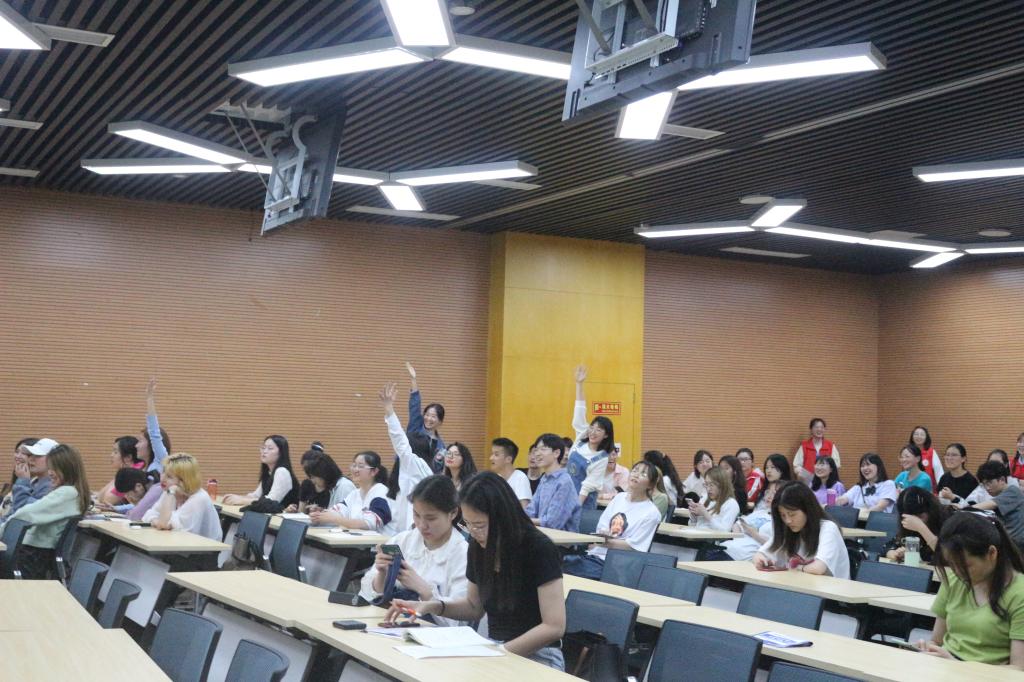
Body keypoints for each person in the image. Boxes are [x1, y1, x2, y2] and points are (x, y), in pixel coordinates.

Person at [387, 472, 567, 669]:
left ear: (502, 517)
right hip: (495, 648)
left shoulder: (538, 548)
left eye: (479, 525)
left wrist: (500, 653)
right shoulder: (478, 546)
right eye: (468, 524)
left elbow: (554, 627)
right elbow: (474, 607)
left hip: (539, 655)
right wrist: (432, 605)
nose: (473, 532)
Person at [915, 512, 1024, 668]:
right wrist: (928, 648)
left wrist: (959, 667)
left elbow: (1018, 669)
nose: (958, 572)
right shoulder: (953, 580)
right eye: (952, 564)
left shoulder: (1019, 593)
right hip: (947, 669)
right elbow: (936, 641)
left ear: (992, 553)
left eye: (965, 565)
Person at [360, 475, 468, 625]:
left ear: (453, 513)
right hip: (388, 624)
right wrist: (382, 574)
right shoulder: (402, 541)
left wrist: (424, 590)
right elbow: (366, 596)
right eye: (416, 515)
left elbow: (457, 621)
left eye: (431, 518)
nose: (422, 525)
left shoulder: (463, 554)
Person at [0, 443, 90, 579]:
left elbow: (26, 514)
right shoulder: (70, 492)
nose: (50, 473)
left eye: (54, 468)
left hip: (30, 556)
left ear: (66, 469)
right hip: (32, 554)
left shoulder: (67, 493)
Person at [563, 462, 663, 578]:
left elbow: (635, 547)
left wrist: (605, 543)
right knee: (557, 564)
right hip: (595, 556)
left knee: (562, 570)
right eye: (635, 470)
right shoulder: (619, 498)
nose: (636, 475)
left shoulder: (652, 513)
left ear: (650, 485)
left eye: (643, 474)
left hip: (615, 565)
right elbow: (602, 527)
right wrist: (602, 538)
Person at [753, 482, 850, 579]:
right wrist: (761, 560)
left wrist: (797, 567)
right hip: (800, 584)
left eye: (792, 514)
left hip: (831, 587)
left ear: (807, 509)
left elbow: (818, 568)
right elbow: (760, 554)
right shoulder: (788, 529)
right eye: (783, 515)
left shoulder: (828, 528)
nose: (788, 520)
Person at [377, 381, 435, 533]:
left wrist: (389, 408)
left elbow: (399, 439)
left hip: (413, 531)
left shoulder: (413, 463)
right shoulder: (426, 471)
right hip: (409, 531)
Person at [310, 451, 395, 534]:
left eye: (360, 466)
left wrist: (336, 519)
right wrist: (320, 515)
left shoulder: (381, 493)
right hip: (360, 541)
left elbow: (368, 524)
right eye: (354, 465)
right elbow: (338, 511)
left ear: (374, 471)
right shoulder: (354, 494)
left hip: (383, 542)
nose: (355, 469)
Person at [566, 366, 614, 509]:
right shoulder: (582, 437)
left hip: (583, 502)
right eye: (592, 427)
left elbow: (587, 487)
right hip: (566, 494)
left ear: (606, 435)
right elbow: (580, 410)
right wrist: (579, 384)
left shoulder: (602, 458)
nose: (593, 432)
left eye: (599, 430)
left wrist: (575, 508)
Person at [142, 453, 222, 541]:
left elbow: (164, 524)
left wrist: (159, 522)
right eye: (163, 472)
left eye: (169, 476)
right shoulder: (170, 491)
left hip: (203, 548)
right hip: (177, 543)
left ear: (184, 481)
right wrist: (156, 521)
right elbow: (149, 515)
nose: (163, 478)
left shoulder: (199, 498)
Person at [127, 379, 173, 521]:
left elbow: (154, 433)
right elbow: (144, 503)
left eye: (140, 441)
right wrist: (116, 508)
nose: (136, 446)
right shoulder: (143, 468)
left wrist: (149, 398)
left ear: (151, 445)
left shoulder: (162, 460)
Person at [221, 435, 299, 508]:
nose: (264, 451)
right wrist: (237, 497)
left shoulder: (282, 472)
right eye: (263, 448)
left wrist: (242, 501)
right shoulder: (269, 472)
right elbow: (256, 495)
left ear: (281, 453)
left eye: (270, 448)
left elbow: (271, 501)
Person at [525, 434, 581, 532]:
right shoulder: (544, 479)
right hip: (543, 534)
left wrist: (524, 520)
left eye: (543, 449)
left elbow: (552, 522)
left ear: (556, 453)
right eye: (536, 450)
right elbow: (531, 510)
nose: (537, 454)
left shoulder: (564, 481)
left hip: (562, 539)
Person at [885, 487, 953, 565]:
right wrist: (893, 553)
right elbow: (888, 547)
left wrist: (921, 528)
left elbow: (949, 557)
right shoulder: (908, 523)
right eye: (911, 517)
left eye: (920, 516)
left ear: (930, 510)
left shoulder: (949, 521)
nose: (915, 521)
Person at [405, 362, 446, 473]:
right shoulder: (415, 427)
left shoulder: (441, 446)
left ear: (440, 421)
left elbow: (437, 469)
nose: (428, 418)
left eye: (433, 416)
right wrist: (413, 379)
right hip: (406, 471)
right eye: (427, 414)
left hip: (424, 478)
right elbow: (415, 405)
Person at [974, 461, 1024, 550]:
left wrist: (962, 510)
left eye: (989, 483)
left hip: (1018, 547)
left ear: (1002, 480)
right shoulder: (1003, 494)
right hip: (1011, 544)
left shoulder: (1013, 491)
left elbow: (990, 504)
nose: (987, 488)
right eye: (984, 484)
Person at [288, 451, 354, 514]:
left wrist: (322, 512)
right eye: (310, 477)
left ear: (324, 474)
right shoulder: (311, 484)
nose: (312, 481)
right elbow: (301, 512)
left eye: (314, 477)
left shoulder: (345, 486)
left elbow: (348, 515)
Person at [4, 437, 56, 518]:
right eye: (31, 455)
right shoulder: (35, 482)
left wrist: (22, 481)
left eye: (38, 455)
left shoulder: (52, 487)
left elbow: (24, 513)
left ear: (53, 460)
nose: (31, 459)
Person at [688, 467, 740, 532]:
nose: (708, 489)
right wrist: (693, 515)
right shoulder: (704, 499)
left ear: (722, 485)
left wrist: (706, 514)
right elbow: (692, 526)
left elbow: (725, 531)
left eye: (711, 485)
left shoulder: (731, 503)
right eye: (706, 484)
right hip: (697, 535)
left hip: (710, 538)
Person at [97, 436, 142, 505]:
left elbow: (107, 500)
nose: (111, 455)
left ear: (128, 457)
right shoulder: (126, 471)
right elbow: (100, 496)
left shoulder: (132, 474)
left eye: (115, 452)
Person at [794, 418, 840, 484]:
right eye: (816, 427)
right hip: (808, 481)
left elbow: (836, 466)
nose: (819, 429)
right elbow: (797, 466)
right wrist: (807, 477)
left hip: (826, 481)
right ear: (811, 429)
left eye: (822, 427)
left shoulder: (831, 446)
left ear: (824, 429)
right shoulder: (804, 446)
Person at [490, 437, 532, 509]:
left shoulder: (520, 478)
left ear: (508, 459)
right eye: (492, 454)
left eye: (496, 455)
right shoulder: (495, 478)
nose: (491, 458)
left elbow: (524, 510)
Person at [1, 438, 38, 518]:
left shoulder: (38, 485)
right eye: (17, 452)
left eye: (24, 453)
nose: (18, 456)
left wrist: (23, 480)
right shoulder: (11, 485)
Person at [937, 443, 979, 507]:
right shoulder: (944, 477)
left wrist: (952, 497)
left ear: (963, 459)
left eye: (954, 455)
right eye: (947, 455)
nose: (949, 458)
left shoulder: (971, 480)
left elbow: (972, 505)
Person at [909, 426, 944, 492]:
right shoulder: (908, 452)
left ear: (926, 438)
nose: (919, 436)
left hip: (928, 490)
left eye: (922, 434)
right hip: (910, 489)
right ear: (912, 437)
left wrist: (941, 490)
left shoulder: (931, 452)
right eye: (916, 434)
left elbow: (939, 472)